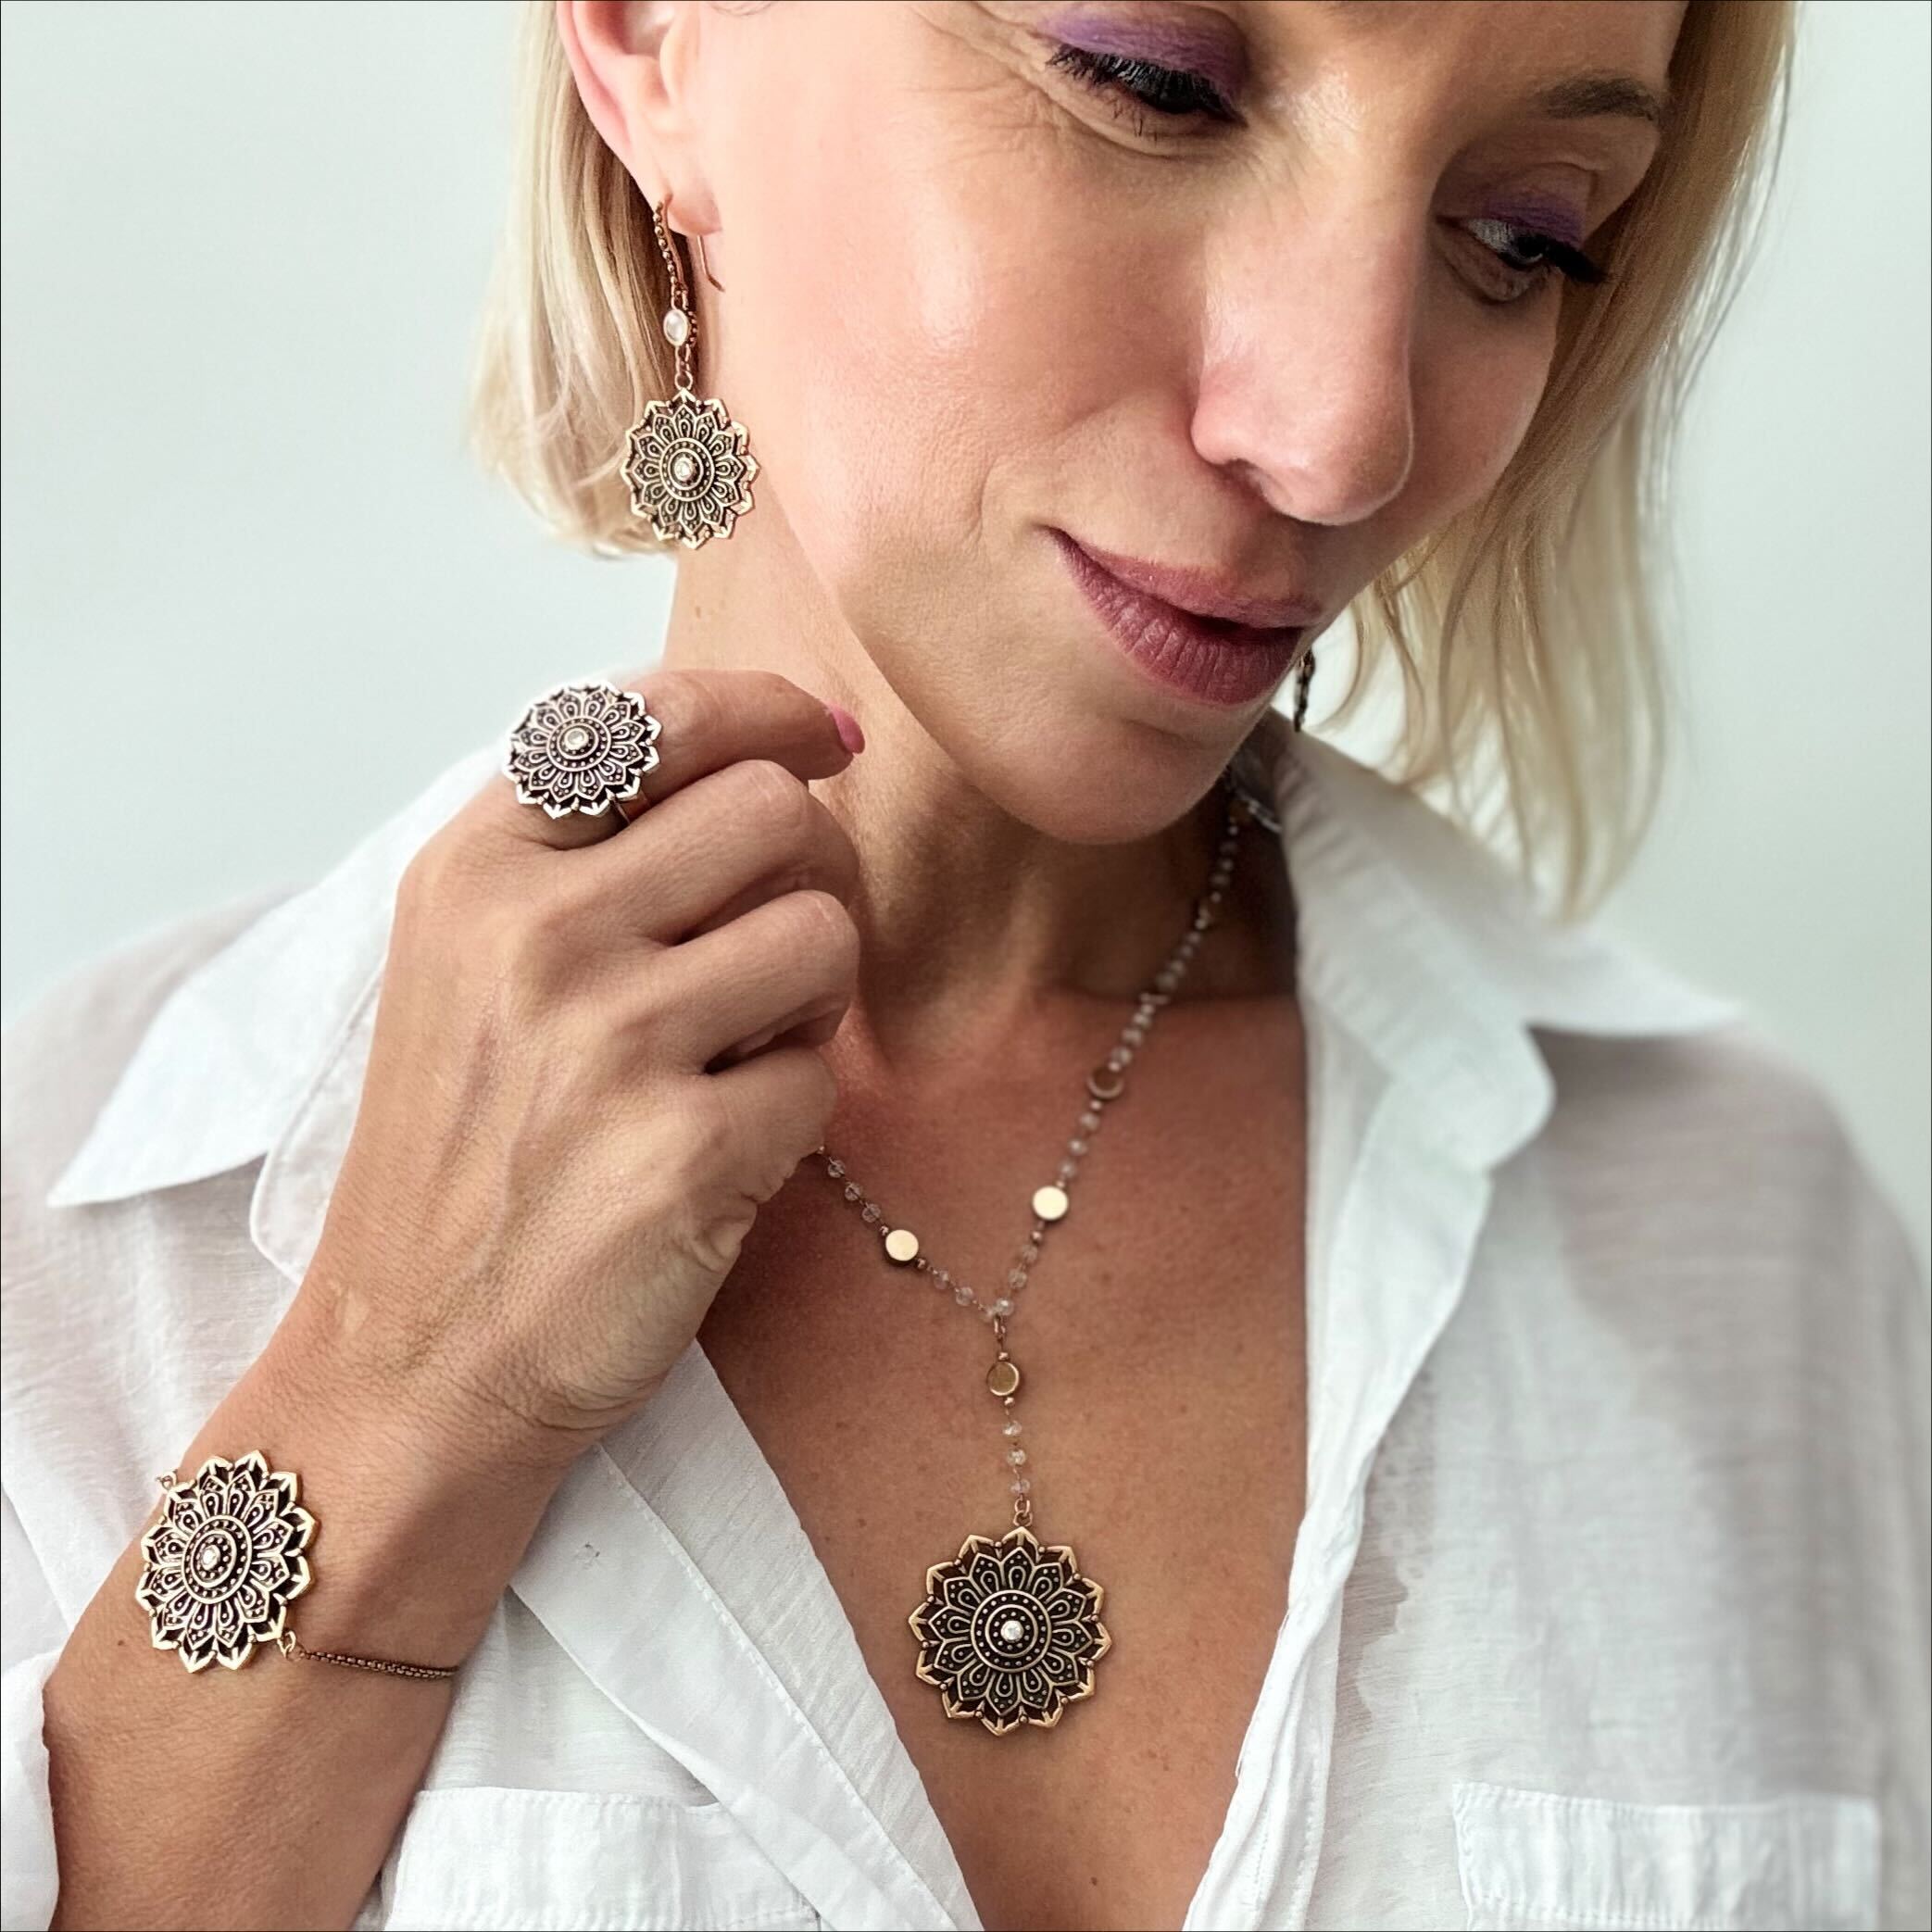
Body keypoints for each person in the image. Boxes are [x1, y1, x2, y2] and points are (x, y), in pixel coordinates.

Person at [3, 3, 1925, 1928]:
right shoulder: (78, 1241)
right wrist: (390, 1395)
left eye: (1519, 229)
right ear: (657, 45)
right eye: (1153, 84)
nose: (1342, 434)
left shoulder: (1741, 1243)